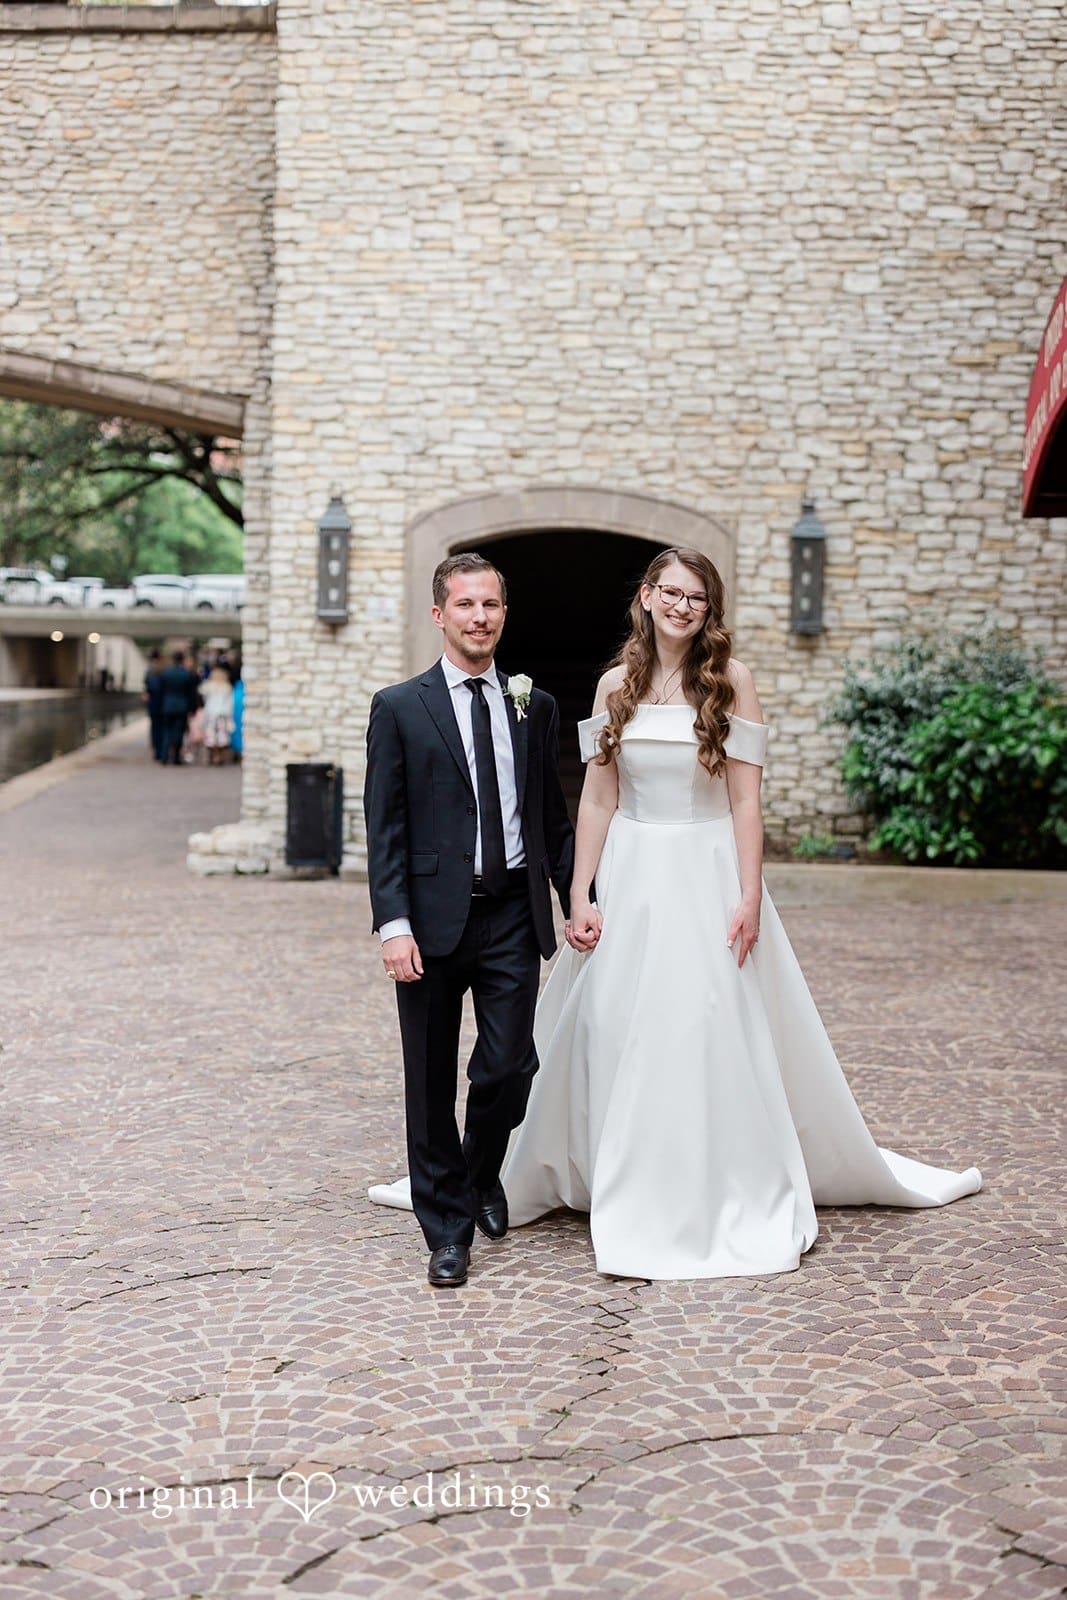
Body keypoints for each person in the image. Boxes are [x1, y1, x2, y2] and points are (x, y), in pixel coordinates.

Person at [370, 547, 982, 1281]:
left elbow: (745, 798)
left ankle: (688, 1178)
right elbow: (595, 799)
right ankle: (489, 1195)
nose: (681, 605)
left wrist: (748, 891)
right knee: (608, 1027)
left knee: (688, 1027)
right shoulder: (610, 686)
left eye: (695, 595)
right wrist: (580, 892)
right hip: (628, 874)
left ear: (708, 608)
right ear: (646, 596)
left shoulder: (730, 682)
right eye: (669, 591)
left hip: (703, 873)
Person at [363, 552, 578, 1289]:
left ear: (502, 614)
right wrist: (392, 924)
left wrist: (575, 898)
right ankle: (447, 1231)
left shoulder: (533, 705)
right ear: (438, 614)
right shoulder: (398, 708)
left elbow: (551, 819)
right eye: (464, 605)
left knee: (509, 1064)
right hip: (426, 922)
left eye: (489, 605)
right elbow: (383, 825)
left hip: (511, 915)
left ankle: (481, 1169)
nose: (478, 617)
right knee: (427, 1080)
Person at [157, 650, 200, 767]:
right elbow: (191, 694)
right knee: (179, 732)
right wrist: (193, 709)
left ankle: (164, 756)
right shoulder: (187, 674)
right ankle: (176, 757)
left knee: (166, 731)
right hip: (182, 707)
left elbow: (160, 692)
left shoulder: (165, 673)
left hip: (167, 706)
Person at [200, 664, 235, 765]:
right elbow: (230, 703)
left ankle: (211, 756)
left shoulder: (207, 686)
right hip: (222, 714)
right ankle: (219, 756)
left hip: (211, 714)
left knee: (210, 736)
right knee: (221, 736)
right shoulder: (227, 687)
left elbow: (205, 700)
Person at [143, 649, 165, 762]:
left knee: (155, 727)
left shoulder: (149, 671)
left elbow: (147, 688)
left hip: (154, 704)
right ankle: (161, 750)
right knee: (162, 728)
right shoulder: (163, 671)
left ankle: (158, 750)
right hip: (162, 703)